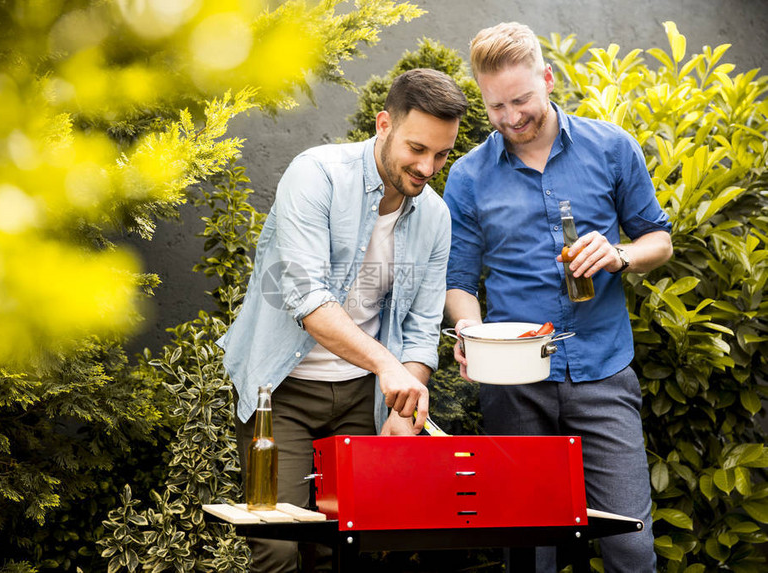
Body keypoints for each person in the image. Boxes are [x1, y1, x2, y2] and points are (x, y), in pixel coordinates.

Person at [443, 22, 673, 573]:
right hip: (513, 383)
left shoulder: (612, 148)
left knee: (631, 546)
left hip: (603, 371)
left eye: (521, 99)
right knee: (527, 555)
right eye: (496, 105)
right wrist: (470, 335)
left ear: (548, 80)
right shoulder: (468, 177)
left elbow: (659, 240)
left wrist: (620, 254)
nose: (511, 116)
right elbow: (458, 280)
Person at [218, 68, 468, 572]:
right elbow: (309, 301)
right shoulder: (317, 174)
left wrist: (404, 400)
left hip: (363, 397)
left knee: (349, 550)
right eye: (417, 149)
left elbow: (421, 330)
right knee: (277, 548)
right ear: (383, 124)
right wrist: (387, 366)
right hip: (282, 389)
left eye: (442, 154)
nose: (428, 167)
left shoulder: (436, 217)